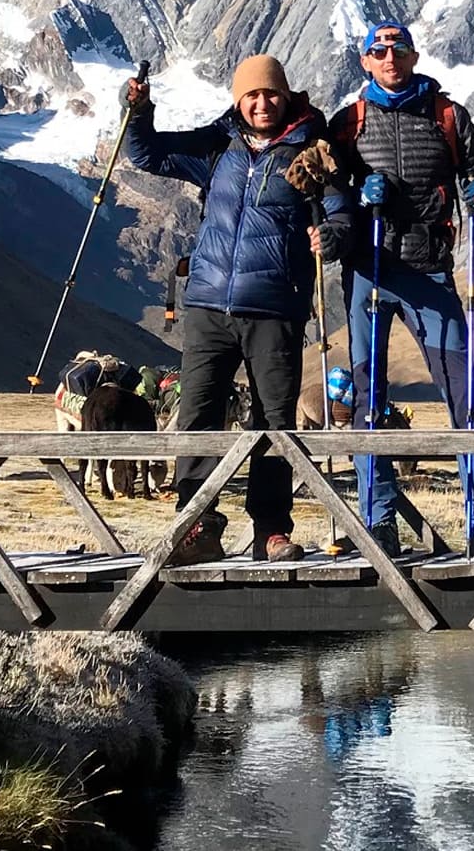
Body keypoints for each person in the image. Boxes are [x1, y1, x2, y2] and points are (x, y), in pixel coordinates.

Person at [126, 55, 344, 564]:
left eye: (270, 94)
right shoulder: (217, 148)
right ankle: (197, 524)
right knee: (198, 416)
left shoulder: (310, 151)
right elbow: (147, 155)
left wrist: (332, 234)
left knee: (272, 421)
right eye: (251, 95)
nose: (262, 103)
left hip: (274, 308)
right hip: (206, 304)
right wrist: (138, 112)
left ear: (285, 96)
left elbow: (339, 208)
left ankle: (270, 530)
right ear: (238, 101)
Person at [327, 21, 474, 558]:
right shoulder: (348, 123)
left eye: (398, 50)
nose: (389, 58)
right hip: (369, 270)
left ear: (413, 55)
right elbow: (331, 190)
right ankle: (377, 522)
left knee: (465, 399)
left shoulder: (449, 116)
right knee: (367, 399)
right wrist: (359, 192)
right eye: (378, 51)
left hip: (430, 271)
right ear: (365, 61)